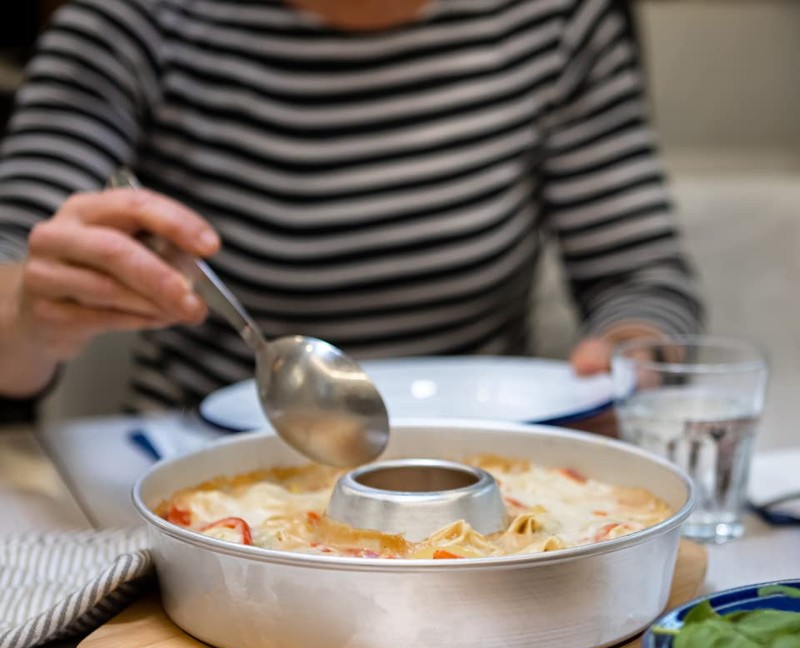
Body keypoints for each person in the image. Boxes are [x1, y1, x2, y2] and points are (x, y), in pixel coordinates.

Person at [0, 0, 704, 418]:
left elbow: (641, 277)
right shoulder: (129, 21)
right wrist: (33, 312)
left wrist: (630, 358)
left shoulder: (555, 21)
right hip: (201, 462)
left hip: (492, 455)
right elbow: (14, 258)